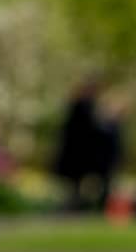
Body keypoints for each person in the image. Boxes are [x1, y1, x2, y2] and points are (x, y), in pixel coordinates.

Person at [51, 77, 123, 212]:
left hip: (84, 154)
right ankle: (76, 206)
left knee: (82, 183)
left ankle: (81, 205)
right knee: (76, 183)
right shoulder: (82, 106)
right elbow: (88, 130)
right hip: (79, 153)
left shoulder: (85, 106)